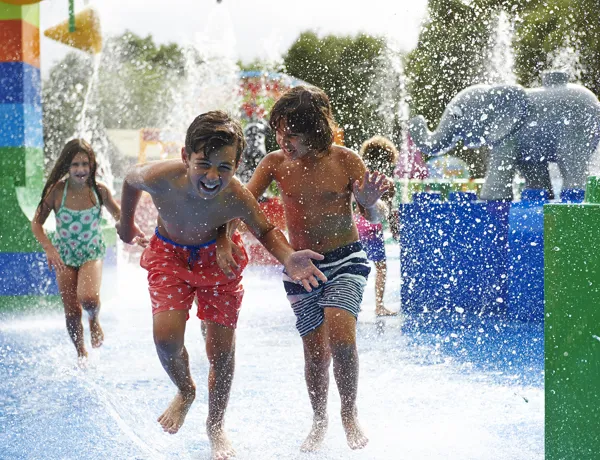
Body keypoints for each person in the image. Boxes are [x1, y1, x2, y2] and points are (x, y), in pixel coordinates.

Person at [116, 110, 327, 459]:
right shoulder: (162, 177)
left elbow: (266, 230)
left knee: (222, 353)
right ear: (186, 156)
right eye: (204, 164)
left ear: (237, 164)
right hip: (170, 257)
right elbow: (129, 180)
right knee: (166, 339)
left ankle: (216, 426)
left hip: (219, 266)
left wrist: (288, 257)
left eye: (224, 168)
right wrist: (125, 225)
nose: (213, 176)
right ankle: (185, 390)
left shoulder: (237, 196)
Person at [239, 85, 391, 452]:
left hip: (346, 260)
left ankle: (349, 412)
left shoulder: (345, 160)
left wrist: (370, 206)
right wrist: (230, 237)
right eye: (279, 132)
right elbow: (242, 204)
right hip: (300, 266)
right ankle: (319, 417)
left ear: (316, 131)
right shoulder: (275, 163)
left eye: (293, 134)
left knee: (341, 338)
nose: (283, 141)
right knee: (314, 354)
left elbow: (377, 214)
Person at [31, 139, 122, 364]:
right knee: (71, 312)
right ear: (66, 166)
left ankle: (94, 320)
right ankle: (81, 351)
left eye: (85, 164)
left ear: (92, 165)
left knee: (89, 299)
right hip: (64, 255)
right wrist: (49, 249)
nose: (80, 170)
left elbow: (120, 216)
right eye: (75, 165)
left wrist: (130, 232)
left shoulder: (99, 191)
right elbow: (36, 223)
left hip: (91, 252)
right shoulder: (56, 192)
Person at [355, 136, 399, 317]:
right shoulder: (386, 181)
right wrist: (396, 230)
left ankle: (353, 304)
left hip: (356, 226)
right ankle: (379, 305)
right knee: (380, 266)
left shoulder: (360, 176)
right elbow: (387, 211)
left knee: (356, 266)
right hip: (373, 228)